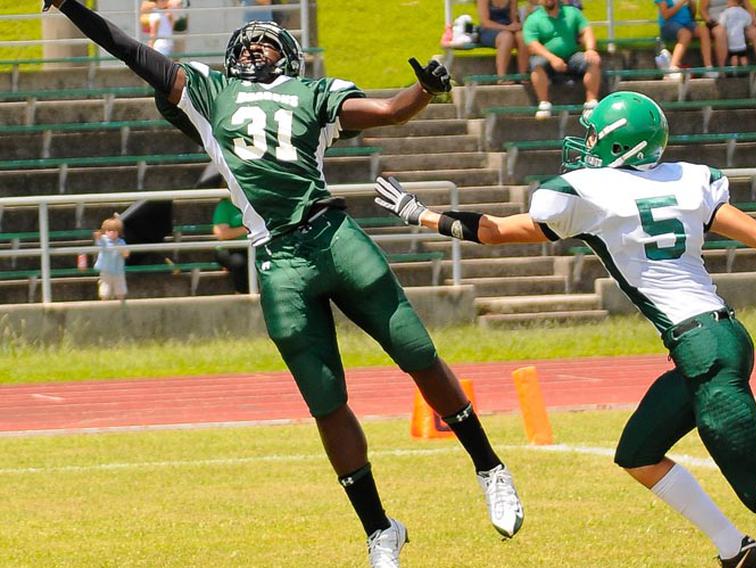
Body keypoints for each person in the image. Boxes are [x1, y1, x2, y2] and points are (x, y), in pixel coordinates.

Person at [42, 3, 523, 567]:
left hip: (335, 235)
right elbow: (128, 47)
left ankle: (490, 468)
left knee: (417, 351)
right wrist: (73, 5)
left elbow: (391, 110)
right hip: (277, 257)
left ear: (290, 57)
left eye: (265, 43)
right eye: (244, 43)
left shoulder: (313, 93)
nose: (251, 48)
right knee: (325, 402)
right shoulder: (208, 92)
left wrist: (423, 91)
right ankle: (380, 530)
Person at [375, 90, 756, 568]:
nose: (586, 145)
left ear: (620, 145)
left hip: (702, 346)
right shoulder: (686, 181)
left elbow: (496, 230)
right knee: (638, 453)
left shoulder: (595, 193)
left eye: (595, 137)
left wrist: (419, 213)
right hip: (715, 340)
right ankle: (734, 547)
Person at [522, 0, 601, 119]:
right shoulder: (533, 19)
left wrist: (590, 49)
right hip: (546, 58)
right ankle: (544, 104)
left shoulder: (572, 12)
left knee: (593, 60)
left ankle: (591, 103)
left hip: (572, 56)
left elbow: (586, 30)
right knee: (536, 65)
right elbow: (532, 44)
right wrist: (552, 58)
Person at [656, 0, 718, 81]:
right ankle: (672, 67)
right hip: (669, 24)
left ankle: (708, 67)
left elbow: (692, 14)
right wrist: (681, 3)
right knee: (686, 34)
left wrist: (692, 4)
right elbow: (665, 15)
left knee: (704, 31)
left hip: (687, 23)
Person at [700, 0, 756, 69]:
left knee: (755, 32)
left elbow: (748, 6)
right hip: (717, 21)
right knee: (720, 32)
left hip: (736, 19)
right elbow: (703, 10)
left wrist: (753, 17)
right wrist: (709, 20)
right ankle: (721, 69)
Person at [476, 0, 529, 81]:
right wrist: (507, 28)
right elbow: (485, 22)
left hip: (508, 27)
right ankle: (501, 77)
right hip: (489, 29)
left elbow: (513, 19)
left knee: (522, 37)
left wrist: (515, 25)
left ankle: (522, 75)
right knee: (506, 37)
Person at [212, 198, 251, 294]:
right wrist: (247, 229)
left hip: (252, 247)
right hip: (229, 249)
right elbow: (222, 234)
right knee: (239, 261)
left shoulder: (253, 202)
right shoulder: (224, 205)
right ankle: (241, 295)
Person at [94, 216, 129, 301]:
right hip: (106, 270)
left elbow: (126, 254)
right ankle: (104, 304)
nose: (112, 233)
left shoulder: (121, 242)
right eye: (109, 230)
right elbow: (98, 239)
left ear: (118, 232)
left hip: (118, 271)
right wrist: (98, 235)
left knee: (120, 291)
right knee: (105, 292)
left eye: (115, 231)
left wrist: (123, 250)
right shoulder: (104, 240)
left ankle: (121, 307)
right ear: (105, 232)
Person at [720, 0, 754, 66]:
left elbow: (721, 23)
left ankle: (734, 71)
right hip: (741, 43)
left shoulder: (726, 12)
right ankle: (745, 68)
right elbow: (749, 21)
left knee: (734, 56)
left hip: (732, 43)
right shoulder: (743, 12)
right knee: (743, 56)